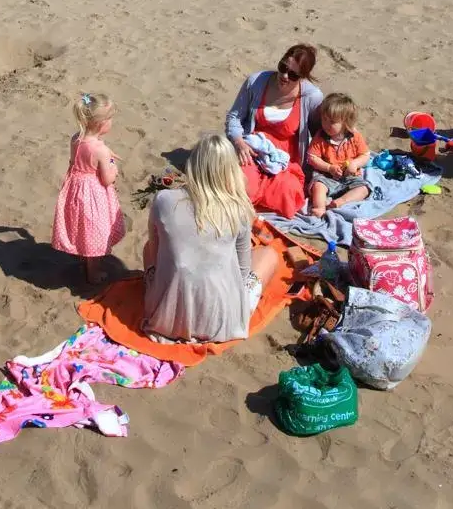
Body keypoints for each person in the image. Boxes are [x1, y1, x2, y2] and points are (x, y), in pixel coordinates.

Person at [142, 133, 279, 344]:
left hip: (165, 319)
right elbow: (242, 272)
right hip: (221, 322)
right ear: (231, 170)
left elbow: (155, 248)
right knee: (268, 255)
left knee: (149, 248)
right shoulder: (238, 209)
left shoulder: (164, 200)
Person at [225, 44, 323, 218]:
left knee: (287, 192)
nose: (284, 76)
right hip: (252, 150)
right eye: (282, 67)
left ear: (303, 77)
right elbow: (234, 117)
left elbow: (319, 135)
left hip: (286, 160)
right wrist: (239, 142)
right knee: (241, 184)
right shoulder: (256, 82)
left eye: (293, 75)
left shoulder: (311, 97)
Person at [52, 93, 125, 283]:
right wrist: (112, 165)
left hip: (75, 188)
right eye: (110, 119)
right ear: (101, 124)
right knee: (95, 230)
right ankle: (94, 274)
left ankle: (84, 258)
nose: (112, 122)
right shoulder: (99, 150)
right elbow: (108, 179)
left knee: (83, 225)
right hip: (93, 193)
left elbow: (78, 158)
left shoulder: (76, 138)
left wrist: (106, 152)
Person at [307, 92, 370, 217]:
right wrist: (328, 168)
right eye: (324, 119)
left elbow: (365, 155)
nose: (326, 124)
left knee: (364, 189)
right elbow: (312, 157)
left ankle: (341, 201)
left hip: (349, 177)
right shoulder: (320, 137)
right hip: (327, 177)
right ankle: (319, 208)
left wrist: (355, 163)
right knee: (318, 186)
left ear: (345, 123)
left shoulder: (354, 136)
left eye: (332, 122)